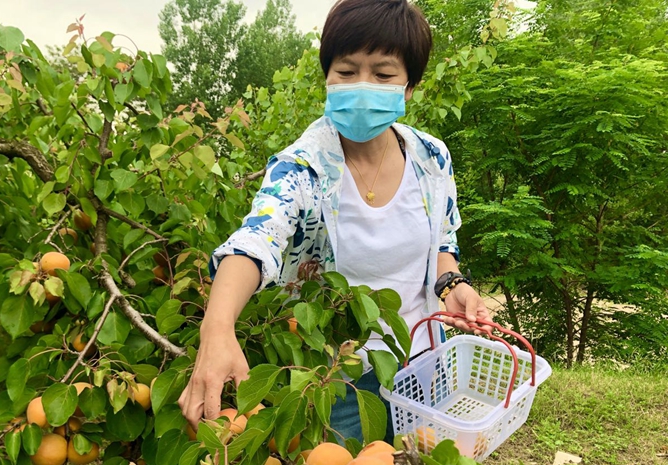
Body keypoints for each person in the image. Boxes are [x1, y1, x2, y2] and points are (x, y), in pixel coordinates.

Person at [178, 0, 491, 442]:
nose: (362, 85)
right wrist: (218, 327)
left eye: (382, 75)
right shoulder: (303, 169)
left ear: (409, 87)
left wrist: (452, 284)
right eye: (346, 71)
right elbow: (256, 240)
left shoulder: (431, 158)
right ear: (327, 77)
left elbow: (443, 240)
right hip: (337, 380)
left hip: (423, 360)